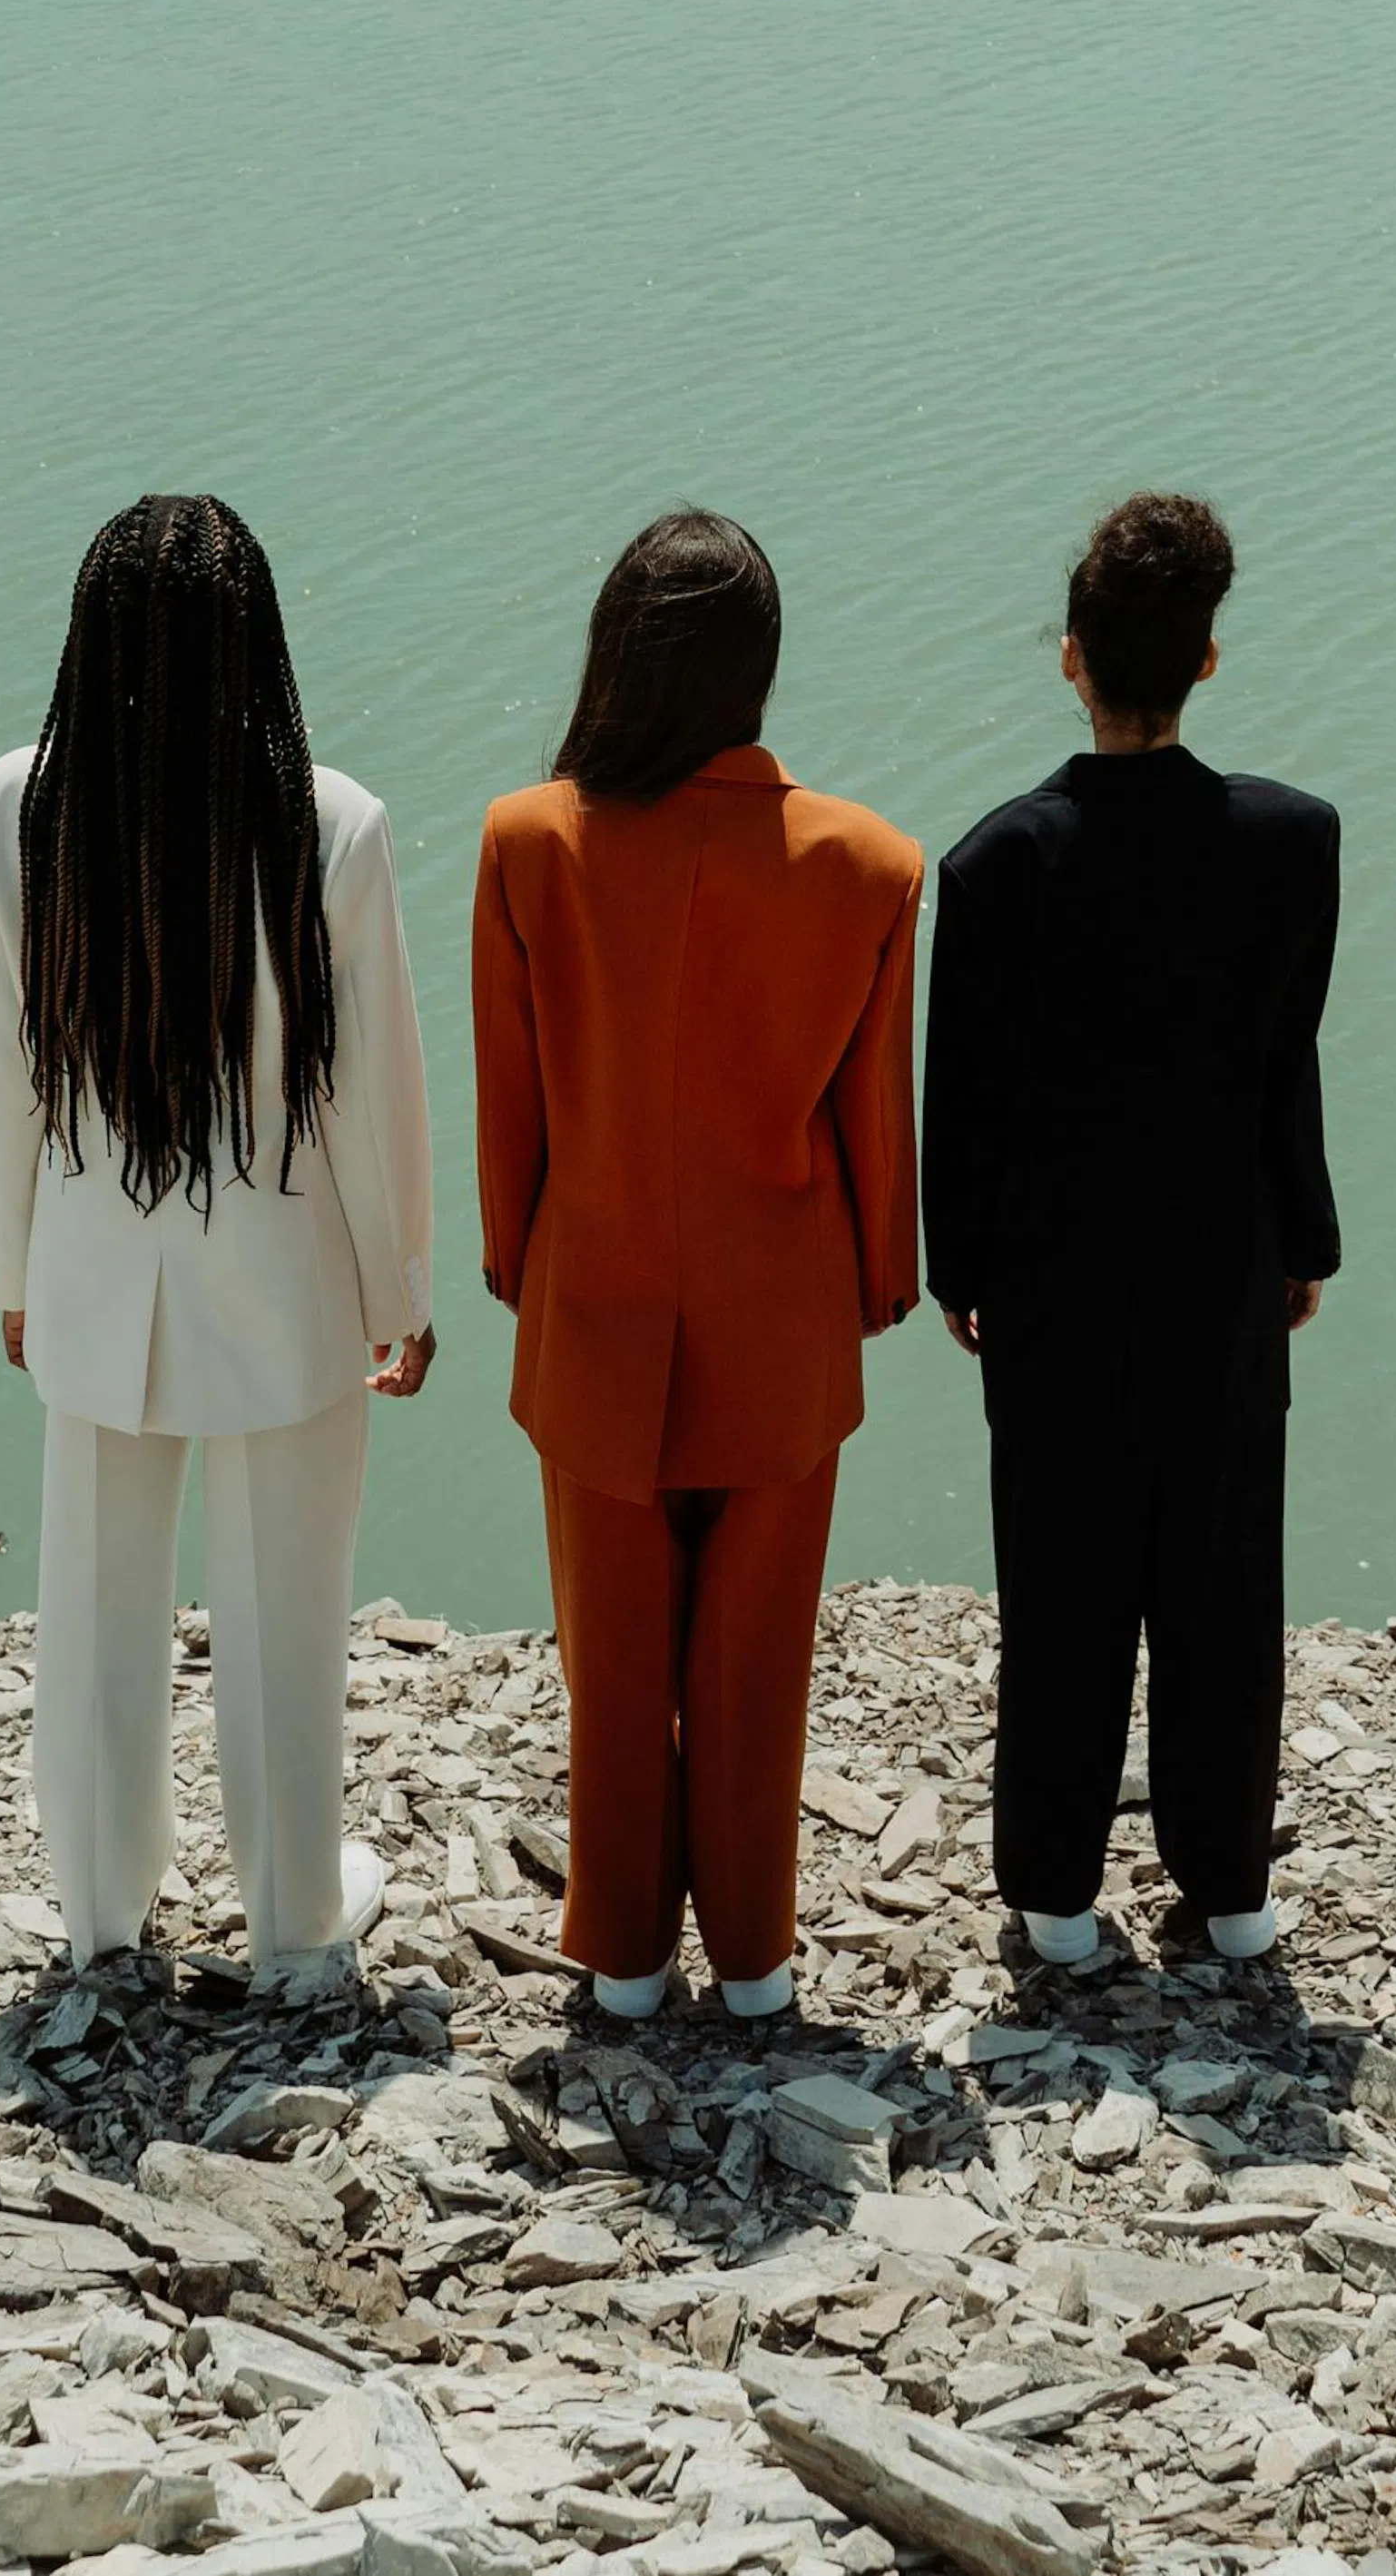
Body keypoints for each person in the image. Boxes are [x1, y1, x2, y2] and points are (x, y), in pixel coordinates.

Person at [0, 493, 435, 1990]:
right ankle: (297, 1921)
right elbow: (371, 1102)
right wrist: (399, 1286)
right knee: (285, 1611)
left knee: (97, 1610)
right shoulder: (332, 824)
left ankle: (103, 1909)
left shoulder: (12, 811)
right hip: (288, 1291)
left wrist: (13, 1269)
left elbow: (1, 1065)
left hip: (99, 1274)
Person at [474, 511, 920, 2022]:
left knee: (612, 1655)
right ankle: (754, 1957)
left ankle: (623, 1954)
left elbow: (512, 1098)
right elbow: (872, 1111)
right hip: (784, 1319)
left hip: (592, 1304)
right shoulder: (868, 864)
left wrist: (510, 1262)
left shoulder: (530, 842)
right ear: (763, 668)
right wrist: (883, 1274)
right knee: (753, 1658)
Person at [922, 489, 1339, 1972]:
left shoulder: (994, 864)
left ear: (1070, 657)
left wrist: (954, 1268)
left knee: (1065, 1575)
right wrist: (1305, 1239)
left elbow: (959, 1104)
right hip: (1224, 1265)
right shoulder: (1292, 843)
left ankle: (1052, 1890)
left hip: (1049, 1284)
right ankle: (1229, 1888)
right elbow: (1284, 1060)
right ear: (1209, 660)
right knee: (1222, 1572)